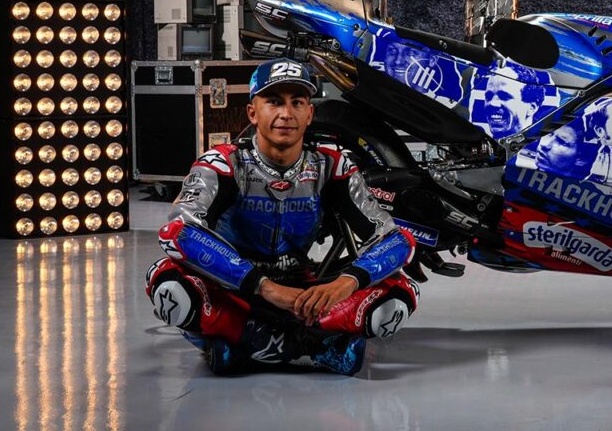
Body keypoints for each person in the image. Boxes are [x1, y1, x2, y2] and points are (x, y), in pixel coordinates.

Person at [144, 58, 419, 375]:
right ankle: (316, 347)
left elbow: (398, 241)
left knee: (401, 291)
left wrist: (346, 283)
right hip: (234, 288)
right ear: (253, 112)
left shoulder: (333, 166)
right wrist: (263, 286)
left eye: (297, 102)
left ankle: (245, 345)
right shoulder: (221, 164)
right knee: (166, 281)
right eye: (274, 101)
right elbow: (178, 232)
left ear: (309, 114)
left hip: (304, 295)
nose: (286, 114)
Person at [476, 65, 545, 138]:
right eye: (488, 97)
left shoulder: (547, 144)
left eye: (504, 97)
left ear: (532, 107)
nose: (492, 103)